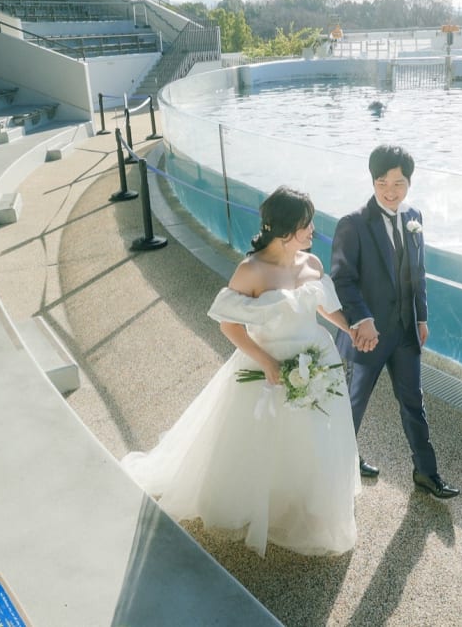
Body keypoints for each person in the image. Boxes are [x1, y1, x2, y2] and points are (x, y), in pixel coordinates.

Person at [122, 186, 360, 557]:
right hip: (265, 362)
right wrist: (267, 363)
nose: (313, 229)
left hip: (316, 359)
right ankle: (256, 503)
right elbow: (229, 326)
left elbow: (324, 307)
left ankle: (307, 503)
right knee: (258, 440)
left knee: (314, 437)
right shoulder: (250, 271)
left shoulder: (311, 264)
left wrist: (350, 328)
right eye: (305, 224)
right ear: (283, 230)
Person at [330, 144, 460, 499]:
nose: (391, 191)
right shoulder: (352, 224)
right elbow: (341, 279)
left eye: (399, 183)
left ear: (409, 183)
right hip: (366, 337)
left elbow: (417, 273)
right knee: (352, 404)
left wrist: (422, 317)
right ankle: (340, 462)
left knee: (414, 402)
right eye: (383, 182)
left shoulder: (414, 216)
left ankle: (426, 473)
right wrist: (363, 319)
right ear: (373, 182)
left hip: (405, 332)